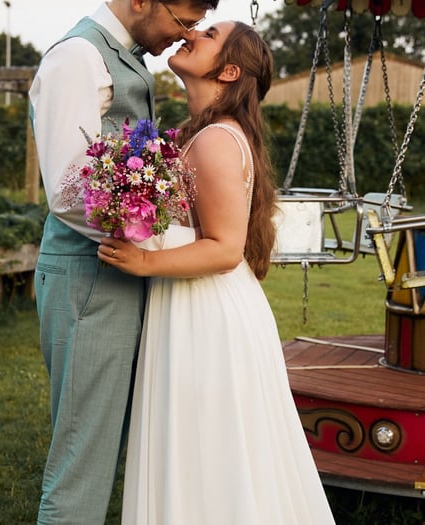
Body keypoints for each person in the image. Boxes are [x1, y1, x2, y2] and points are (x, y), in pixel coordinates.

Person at [98, 21, 337, 524]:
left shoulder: (216, 142)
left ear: (229, 70)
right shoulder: (198, 135)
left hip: (208, 316)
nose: (191, 33)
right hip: (191, 307)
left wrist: (145, 261)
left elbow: (226, 248)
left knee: (211, 448)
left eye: (207, 34)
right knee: (201, 446)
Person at [28, 1, 219, 523]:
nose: (186, 36)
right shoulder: (78, 59)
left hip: (118, 269)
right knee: (82, 459)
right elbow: (69, 191)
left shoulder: (124, 58)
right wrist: (176, 247)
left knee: (111, 449)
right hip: (88, 277)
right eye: (184, 20)